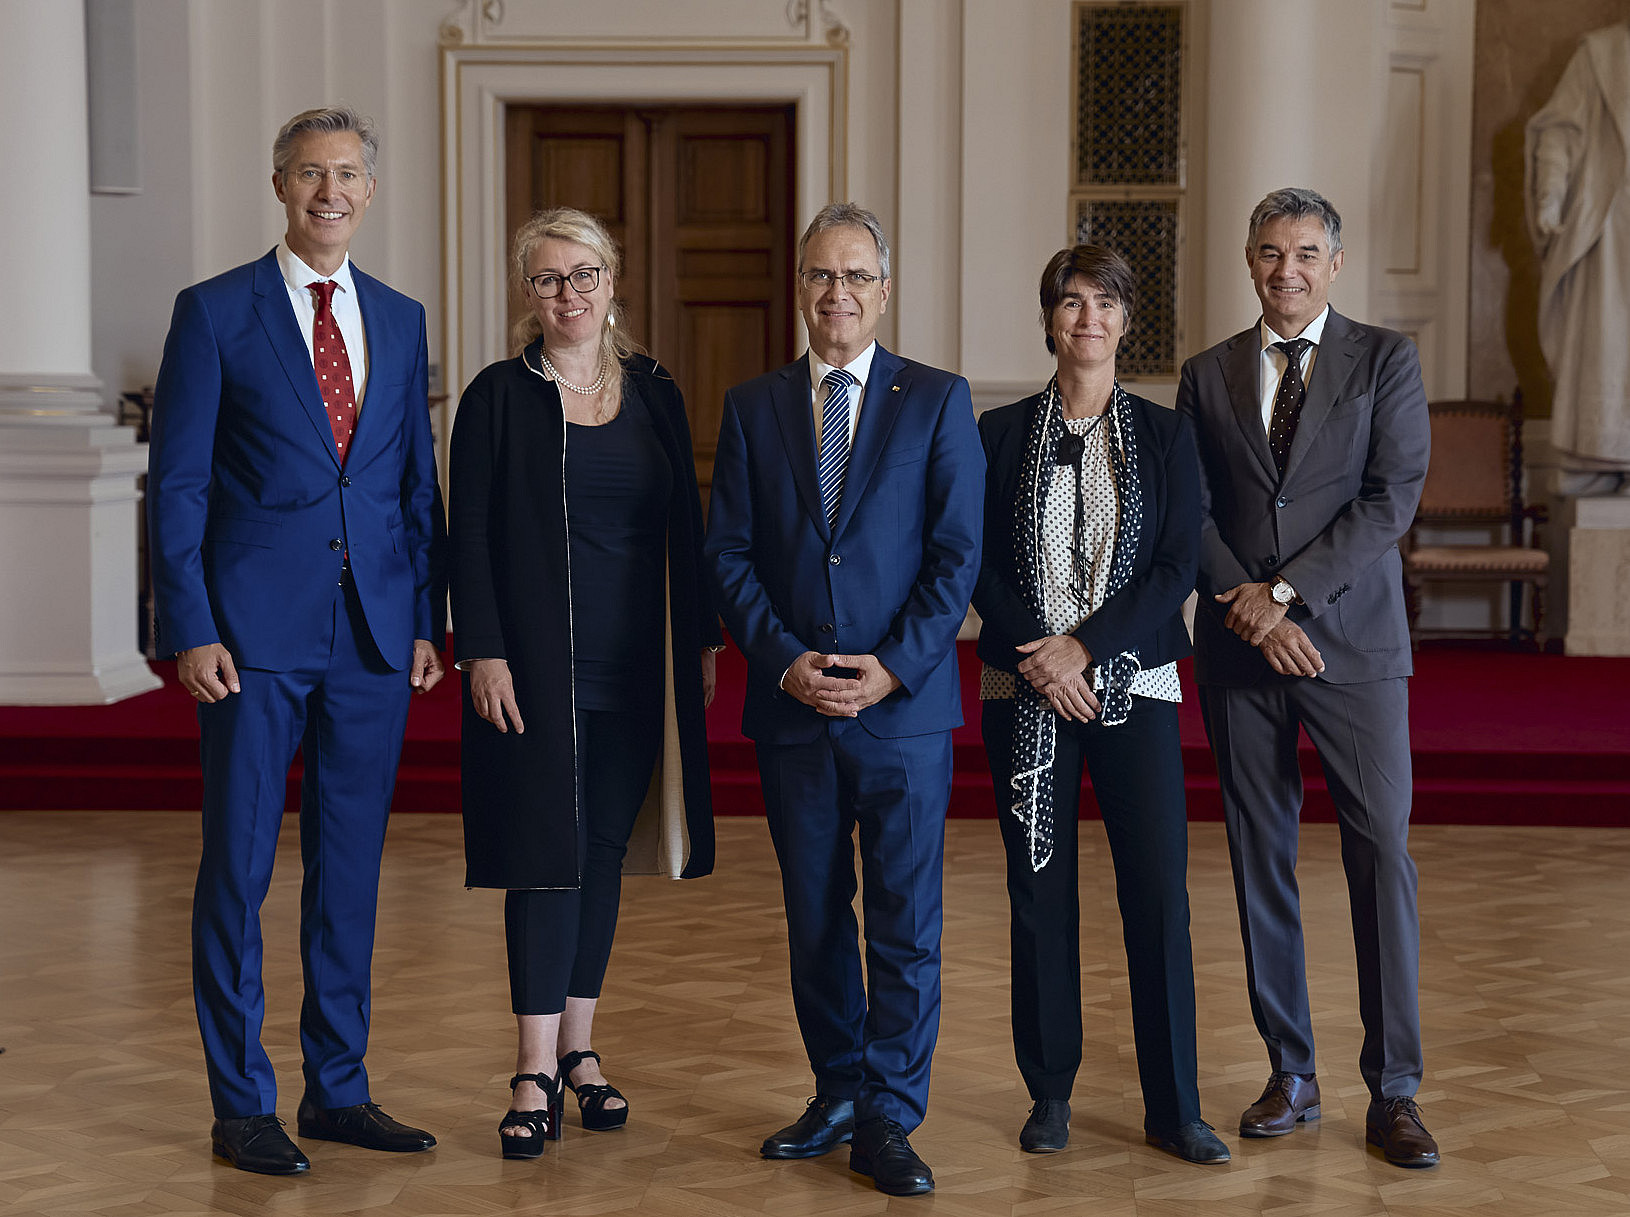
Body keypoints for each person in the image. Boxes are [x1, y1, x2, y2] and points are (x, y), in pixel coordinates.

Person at [146, 106, 444, 1176]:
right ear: (279, 184)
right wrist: (188, 624)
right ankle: (240, 1101)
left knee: (350, 871)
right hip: (249, 637)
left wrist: (425, 616)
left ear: (370, 190)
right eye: (310, 172)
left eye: (348, 174)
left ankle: (339, 1087)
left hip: (372, 634)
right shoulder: (216, 311)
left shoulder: (403, 320)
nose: (330, 190)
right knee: (236, 866)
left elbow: (415, 484)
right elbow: (176, 483)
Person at [704, 203, 982, 1196]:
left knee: (905, 920)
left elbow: (956, 558)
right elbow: (728, 552)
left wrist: (892, 666)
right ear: (800, 288)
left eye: (856, 276)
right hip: (791, 706)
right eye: (822, 275)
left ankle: (889, 1117)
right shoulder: (753, 404)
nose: (838, 294)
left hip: (901, 710)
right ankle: (834, 1088)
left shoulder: (936, 401)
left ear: (884, 289)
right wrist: (779, 658)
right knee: (816, 914)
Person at [448, 207, 719, 1159]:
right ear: (528, 294)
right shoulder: (496, 396)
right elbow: (468, 532)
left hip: (638, 659)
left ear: (613, 281)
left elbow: (685, 522)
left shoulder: (653, 391)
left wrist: (703, 640)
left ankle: (579, 1050)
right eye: (550, 278)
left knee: (602, 848)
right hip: (531, 665)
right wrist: (480, 648)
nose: (570, 294)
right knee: (542, 852)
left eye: (586, 274)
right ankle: (529, 1068)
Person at [1175, 187, 1438, 1168]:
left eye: (1305, 253)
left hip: (1352, 648)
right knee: (1260, 860)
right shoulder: (1205, 374)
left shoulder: (1385, 359)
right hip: (1240, 651)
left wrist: (1285, 593)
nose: (1286, 268)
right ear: (1248, 261)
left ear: (1334, 262)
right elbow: (1187, 507)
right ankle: (1290, 1069)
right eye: (1269, 251)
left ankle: (1396, 1089)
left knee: (1380, 854)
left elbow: (1389, 499)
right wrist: (1248, 603)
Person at [974, 244, 1226, 1165]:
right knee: (1038, 896)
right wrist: (1045, 659)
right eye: (1072, 302)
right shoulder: (996, 434)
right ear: (1050, 319)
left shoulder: (1166, 437)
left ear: (1127, 319)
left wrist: (1090, 646)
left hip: (1137, 693)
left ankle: (1175, 1106)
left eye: (1106, 302)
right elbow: (973, 562)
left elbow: (1176, 567)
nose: (1088, 318)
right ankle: (1049, 1092)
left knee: (1157, 894)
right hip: (1025, 693)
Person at [1526, 21, 1630, 482]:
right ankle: (1605, 450)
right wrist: (1549, 196)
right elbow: (1559, 133)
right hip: (1611, 218)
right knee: (1606, 334)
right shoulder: (1602, 54)